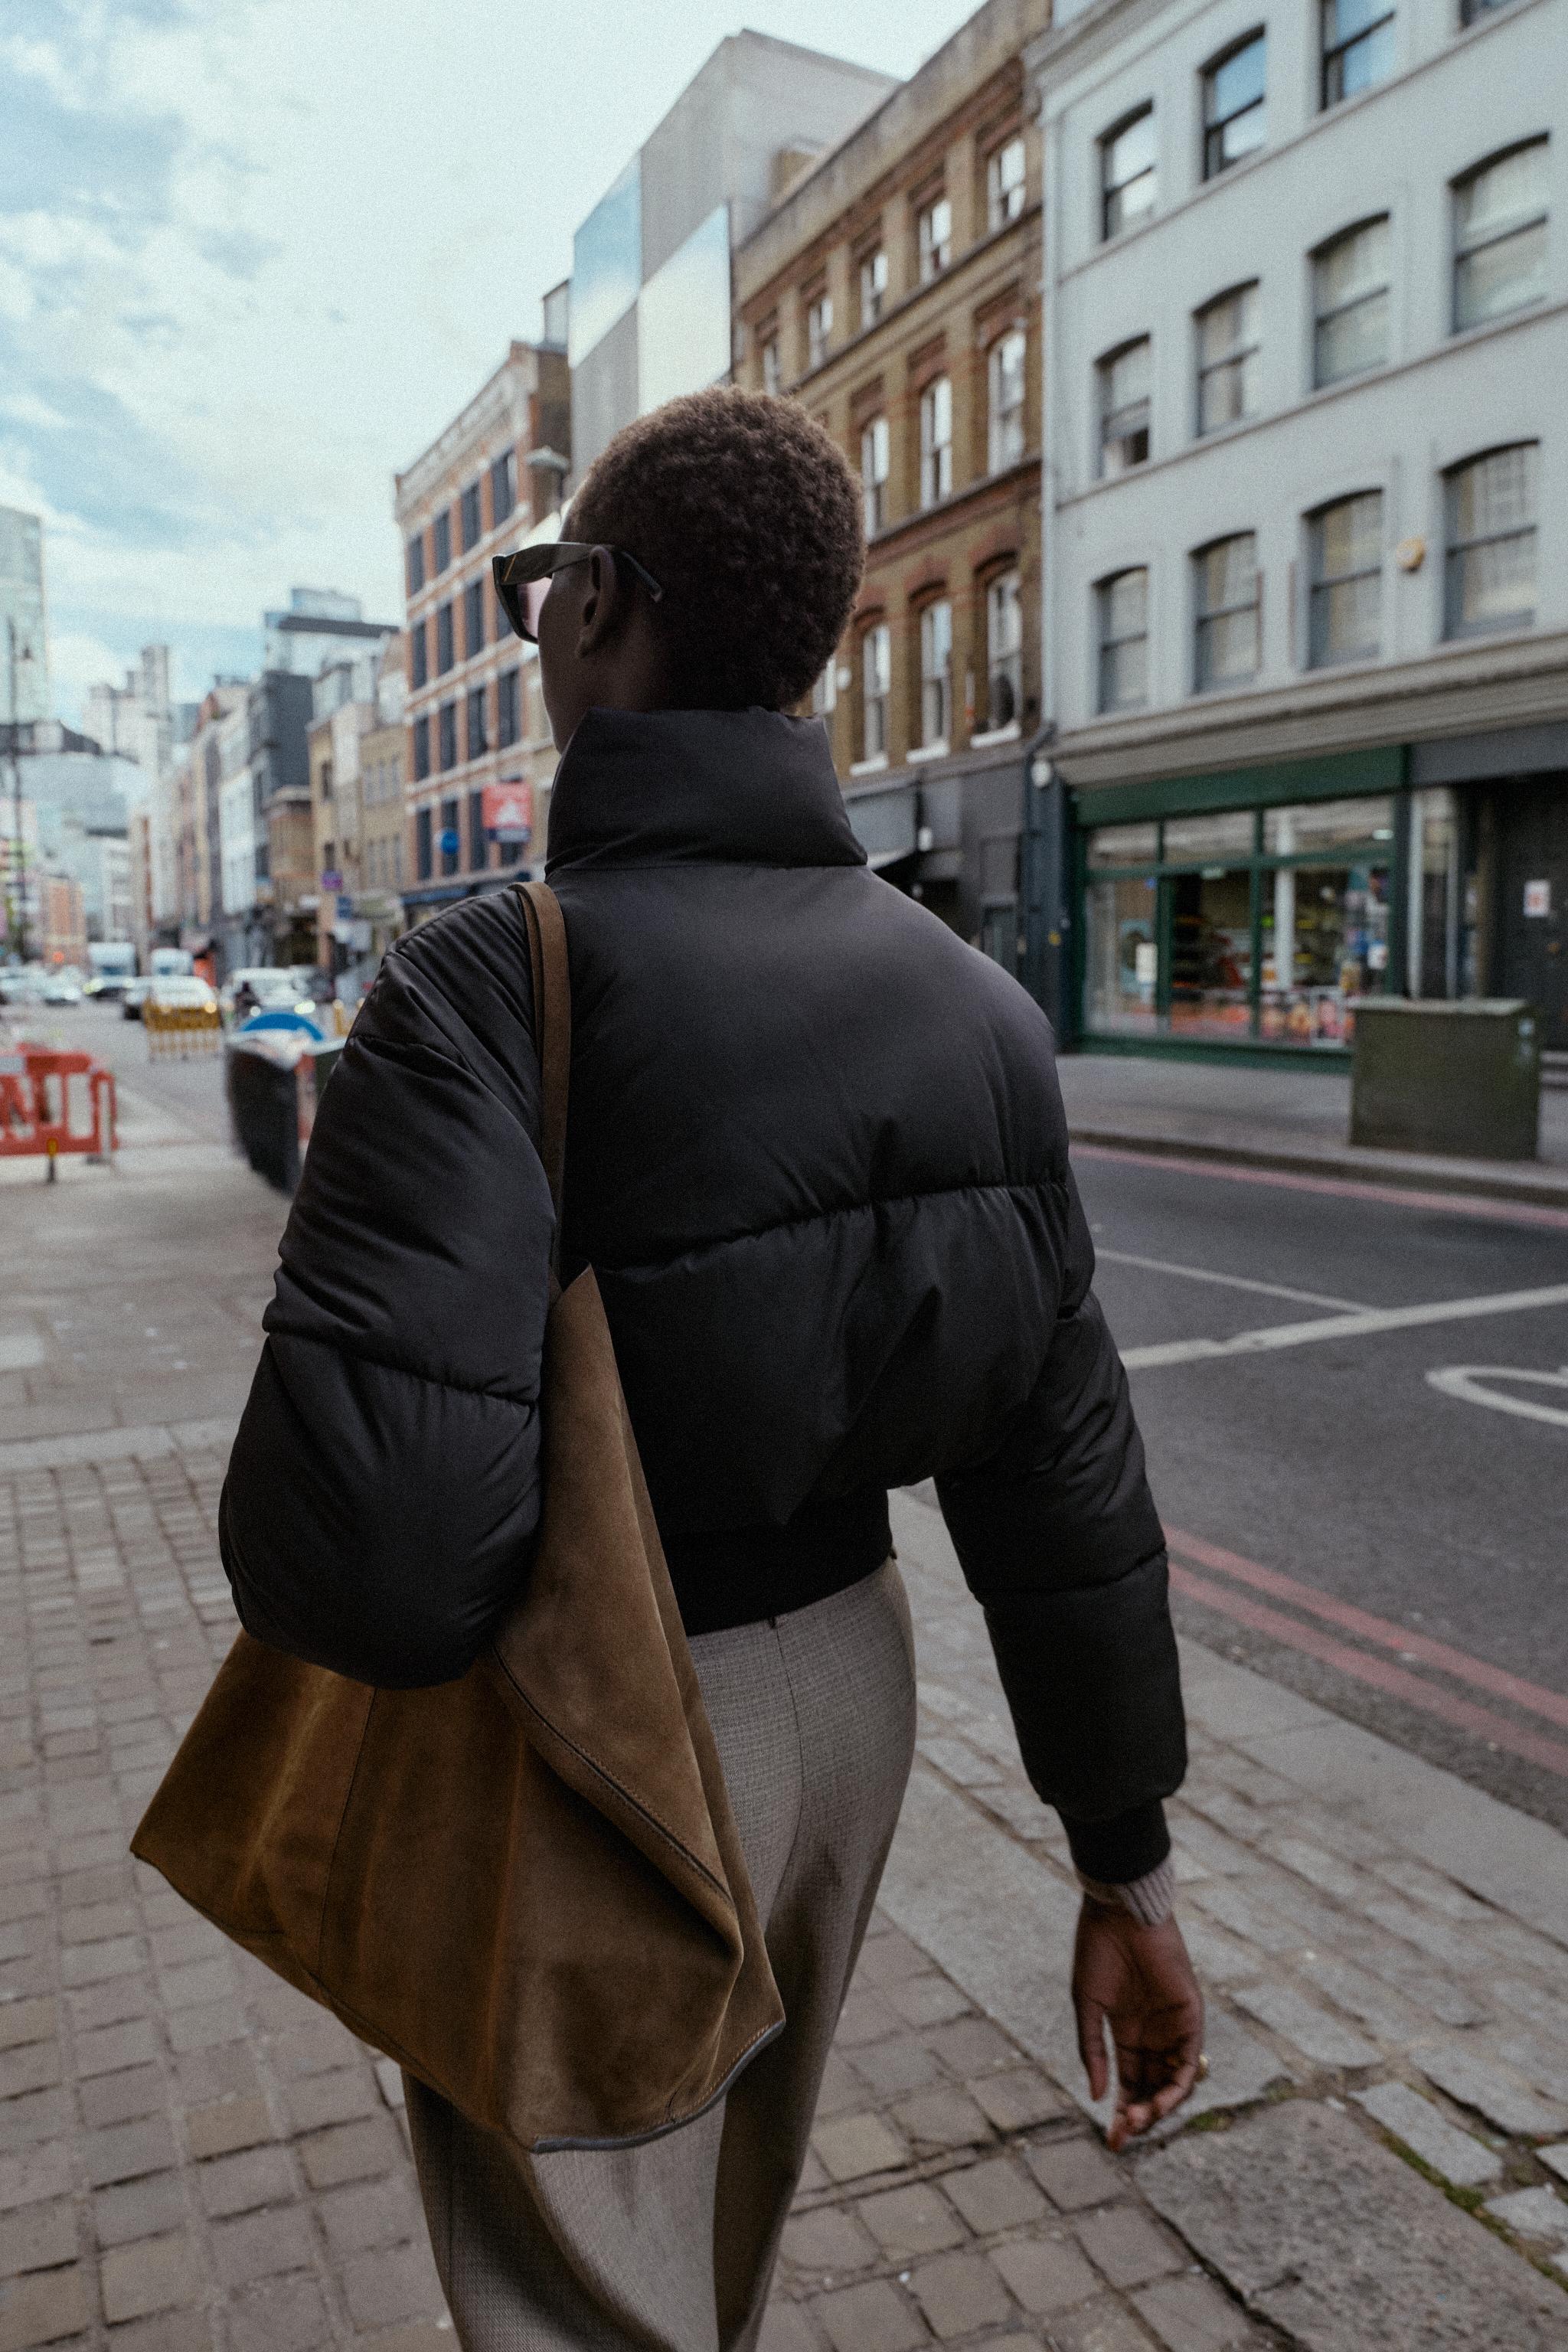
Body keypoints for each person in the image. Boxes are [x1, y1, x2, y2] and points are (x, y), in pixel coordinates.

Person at [219, 387, 1202, 2351]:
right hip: (850, 1704)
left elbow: (377, 1564)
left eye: (534, 589)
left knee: (576, 2300)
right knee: (716, 2259)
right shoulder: (981, 1008)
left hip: (597, 1709)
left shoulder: (490, 977)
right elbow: (1063, 1486)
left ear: (599, 604)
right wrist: (1126, 1865)